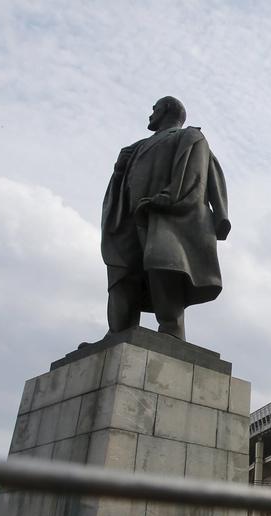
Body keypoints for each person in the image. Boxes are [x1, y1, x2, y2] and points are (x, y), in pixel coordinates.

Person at [100, 96, 231, 340]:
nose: (151, 113)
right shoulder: (137, 146)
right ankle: (117, 331)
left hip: (164, 215)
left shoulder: (189, 136)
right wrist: (119, 170)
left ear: (168, 110)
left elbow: (194, 175)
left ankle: (171, 331)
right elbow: (121, 185)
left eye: (155, 108)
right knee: (122, 271)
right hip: (128, 217)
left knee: (163, 266)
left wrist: (168, 198)